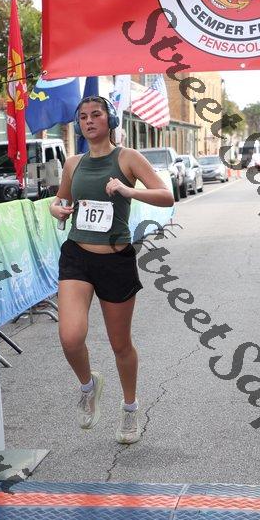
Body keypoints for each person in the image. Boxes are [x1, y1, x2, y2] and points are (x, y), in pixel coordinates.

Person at [49, 96, 174, 444]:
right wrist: (56, 209)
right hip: (77, 255)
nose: (89, 121)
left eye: (96, 115)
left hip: (115, 260)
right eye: (83, 117)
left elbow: (166, 196)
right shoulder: (73, 163)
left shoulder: (128, 158)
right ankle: (88, 386)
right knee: (70, 337)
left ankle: (130, 407)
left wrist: (126, 189)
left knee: (120, 345)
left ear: (110, 120)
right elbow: (60, 200)